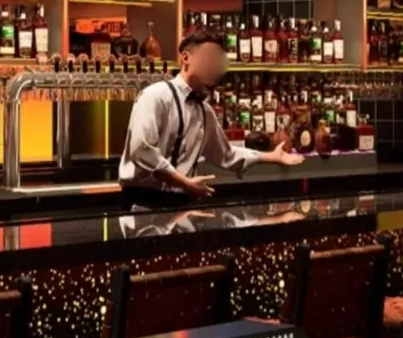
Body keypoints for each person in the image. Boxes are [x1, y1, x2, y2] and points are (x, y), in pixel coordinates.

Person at [118, 29, 304, 207]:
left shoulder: (204, 110)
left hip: (181, 202)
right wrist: (185, 182)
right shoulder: (155, 96)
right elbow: (141, 150)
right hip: (142, 202)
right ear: (185, 58)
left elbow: (226, 154)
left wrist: (271, 156)